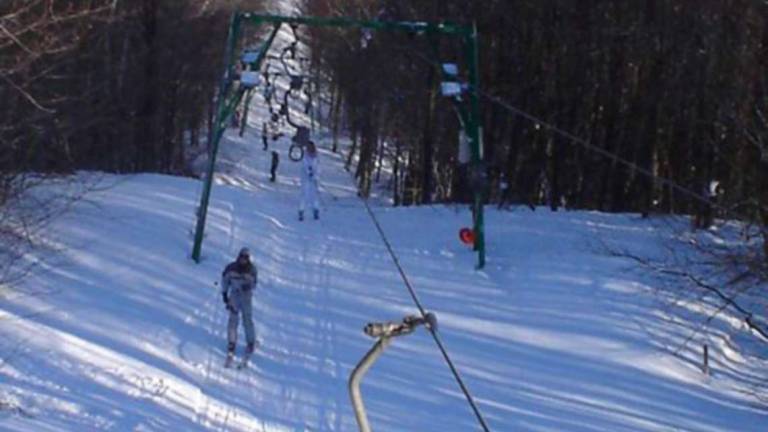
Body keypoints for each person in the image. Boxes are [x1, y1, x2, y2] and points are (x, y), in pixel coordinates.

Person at [221, 247, 257, 360]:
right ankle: (231, 343)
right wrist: (225, 294)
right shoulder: (231, 268)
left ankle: (250, 341)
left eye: (246, 258)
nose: (243, 260)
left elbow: (254, 283)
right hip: (235, 295)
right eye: (242, 257)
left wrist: (248, 286)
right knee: (233, 320)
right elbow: (225, 280)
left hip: (246, 296)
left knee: (247, 319)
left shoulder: (252, 269)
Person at [299, 140, 320, 221]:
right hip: (306, 179)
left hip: (314, 179)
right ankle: (301, 211)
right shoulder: (305, 156)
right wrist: (308, 172)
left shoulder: (316, 156)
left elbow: (318, 167)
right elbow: (304, 165)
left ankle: (316, 210)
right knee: (304, 195)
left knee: (314, 195)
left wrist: (316, 175)